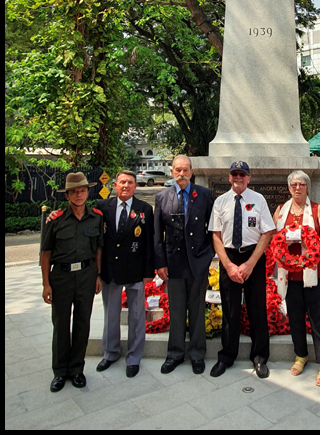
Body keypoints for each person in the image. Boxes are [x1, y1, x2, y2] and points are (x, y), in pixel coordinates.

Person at [208, 161, 275, 379]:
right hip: (229, 257)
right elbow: (216, 235)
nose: (238, 177)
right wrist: (228, 265)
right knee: (229, 310)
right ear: (229, 177)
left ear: (249, 177)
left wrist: (250, 263)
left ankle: (259, 357)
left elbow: (267, 233)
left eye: (242, 174)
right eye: (234, 174)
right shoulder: (220, 202)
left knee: (257, 309)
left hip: (252, 257)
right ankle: (227, 356)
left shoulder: (259, 200)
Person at [40, 172, 103, 392]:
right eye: (74, 191)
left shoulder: (95, 217)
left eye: (82, 190)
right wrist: (46, 284)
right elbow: (46, 253)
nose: (79, 195)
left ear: (88, 192)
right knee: (61, 324)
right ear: (67, 195)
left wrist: (98, 275)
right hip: (62, 277)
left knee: (82, 323)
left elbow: (98, 250)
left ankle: (77, 369)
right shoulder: (55, 220)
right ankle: (59, 372)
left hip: (86, 276)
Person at [273, 170, 320, 386]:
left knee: (318, 318)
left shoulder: (317, 210)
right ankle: (301, 355)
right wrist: (283, 243)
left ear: (307, 187)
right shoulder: (281, 210)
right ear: (289, 188)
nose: (297, 188)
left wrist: (312, 242)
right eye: (293, 184)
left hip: (315, 273)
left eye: (301, 184)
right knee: (295, 317)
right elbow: (274, 237)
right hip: (290, 275)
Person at [154, 155, 214, 375]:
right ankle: (175, 354)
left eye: (185, 170)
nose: (181, 174)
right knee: (177, 309)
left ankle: (197, 354)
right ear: (172, 172)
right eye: (177, 170)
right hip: (174, 264)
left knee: (197, 310)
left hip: (197, 263)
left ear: (191, 171)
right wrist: (160, 264)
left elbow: (212, 229)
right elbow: (156, 234)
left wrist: (207, 257)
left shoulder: (205, 195)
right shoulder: (161, 197)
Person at [95, 170, 154, 378]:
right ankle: (110, 353)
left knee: (137, 316)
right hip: (110, 270)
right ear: (115, 185)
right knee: (111, 314)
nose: (126, 186)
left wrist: (149, 271)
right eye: (122, 182)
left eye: (130, 182)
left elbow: (149, 243)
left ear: (135, 186)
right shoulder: (103, 207)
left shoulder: (144, 209)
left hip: (135, 270)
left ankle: (133, 357)